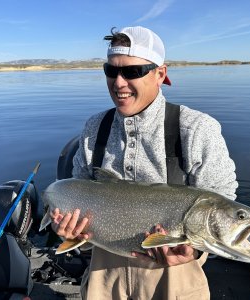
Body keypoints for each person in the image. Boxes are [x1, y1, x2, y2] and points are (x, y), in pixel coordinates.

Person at [51, 26, 238, 300]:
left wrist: (195, 250)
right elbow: (78, 191)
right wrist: (67, 229)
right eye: (111, 70)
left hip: (174, 280)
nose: (118, 83)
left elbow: (220, 205)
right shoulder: (95, 127)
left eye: (132, 72)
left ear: (160, 74)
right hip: (105, 280)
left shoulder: (197, 128)